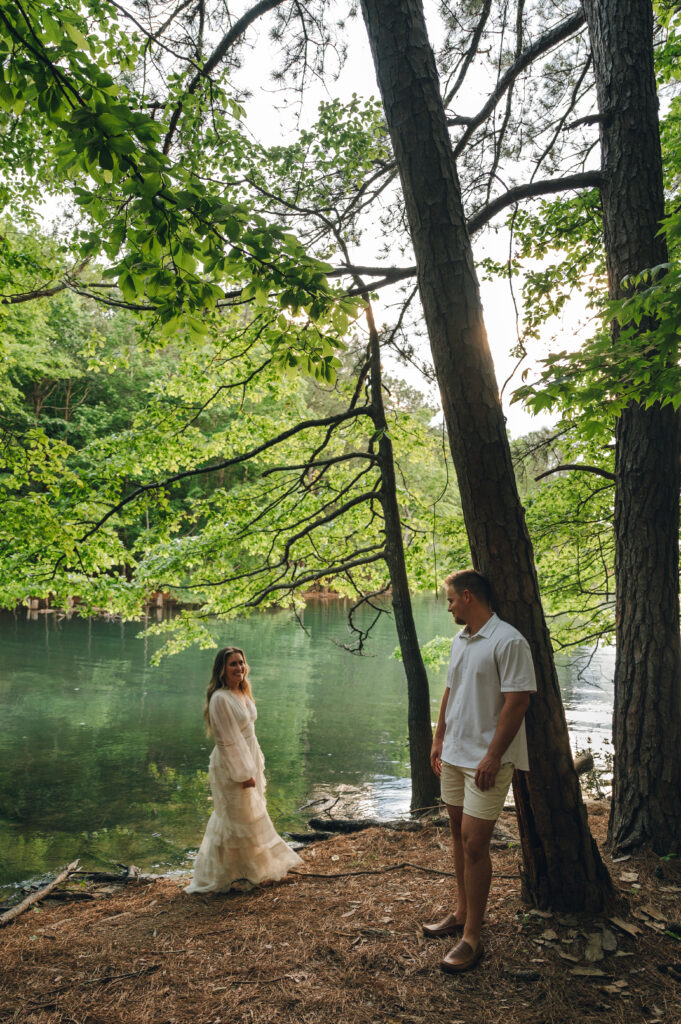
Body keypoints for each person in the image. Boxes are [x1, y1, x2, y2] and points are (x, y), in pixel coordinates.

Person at [422, 569, 536, 974]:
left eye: (450, 599)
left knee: (474, 843)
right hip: (453, 753)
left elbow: (517, 703)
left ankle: (473, 937)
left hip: (487, 761)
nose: (448, 605)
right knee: (456, 833)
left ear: (468, 596)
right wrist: (438, 739)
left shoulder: (509, 641)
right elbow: (450, 691)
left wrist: (492, 756)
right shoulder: (459, 640)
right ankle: (459, 913)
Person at [184, 646, 301, 893]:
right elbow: (227, 741)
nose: (239, 668)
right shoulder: (220, 699)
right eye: (233, 664)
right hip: (232, 765)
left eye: (241, 663)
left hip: (249, 758)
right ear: (222, 670)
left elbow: (247, 734)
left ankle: (249, 872)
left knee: (244, 816)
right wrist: (242, 774)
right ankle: (230, 875)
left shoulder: (242, 692)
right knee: (237, 817)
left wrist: (255, 764)